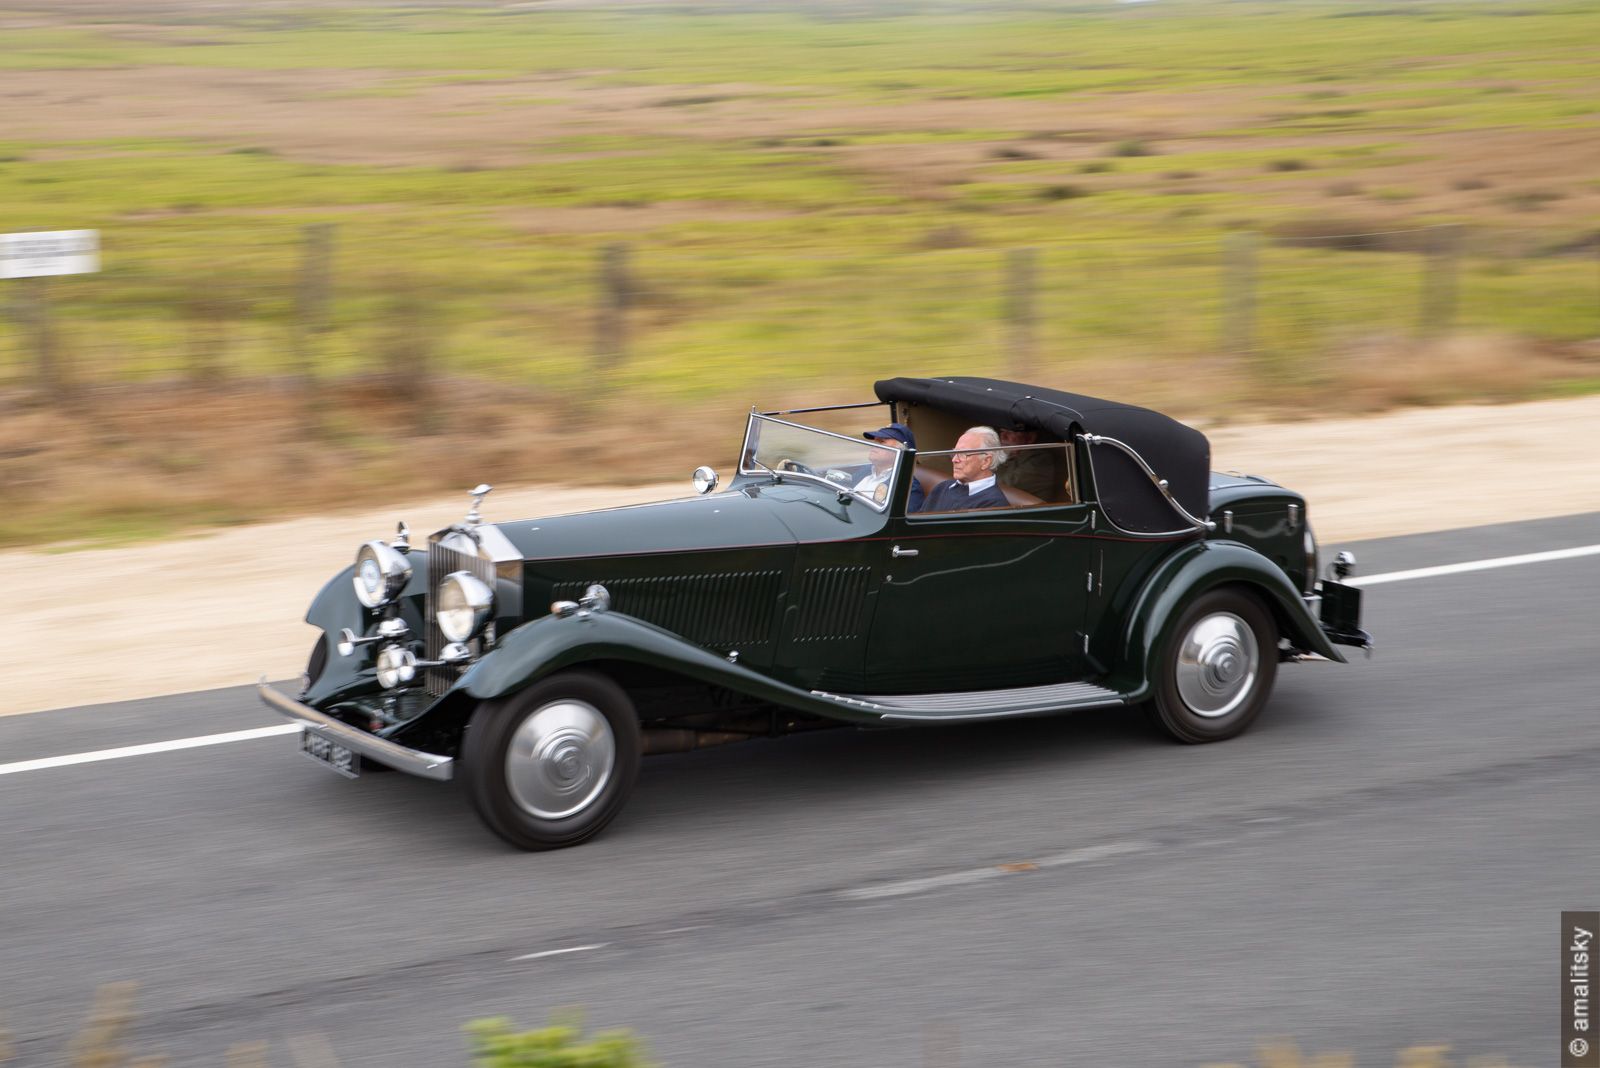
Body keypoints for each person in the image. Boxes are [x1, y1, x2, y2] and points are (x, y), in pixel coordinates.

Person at [917, 426, 1011, 512]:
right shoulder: (941, 488)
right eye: (954, 453)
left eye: (963, 454)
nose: (954, 460)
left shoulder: (995, 505)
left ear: (986, 461)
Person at [858, 423, 924, 511]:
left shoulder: (907, 487)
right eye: (875, 441)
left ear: (900, 451)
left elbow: (898, 522)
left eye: (881, 442)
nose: (874, 445)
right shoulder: (864, 470)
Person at [996, 426, 1059, 502]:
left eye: (1010, 433)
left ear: (1030, 438)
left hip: (1031, 511)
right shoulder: (1008, 456)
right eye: (1002, 432)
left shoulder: (1040, 459)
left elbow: (1007, 486)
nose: (1003, 437)